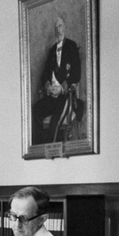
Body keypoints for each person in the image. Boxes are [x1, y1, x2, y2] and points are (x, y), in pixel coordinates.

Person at [32, 14, 82, 145]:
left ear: (65, 27)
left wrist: (62, 88)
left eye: (60, 26)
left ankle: (50, 150)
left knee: (55, 122)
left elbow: (76, 74)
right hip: (52, 97)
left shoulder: (71, 46)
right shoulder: (52, 50)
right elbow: (44, 75)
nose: (58, 30)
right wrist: (48, 87)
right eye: (56, 28)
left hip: (65, 97)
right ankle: (38, 148)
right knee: (35, 110)